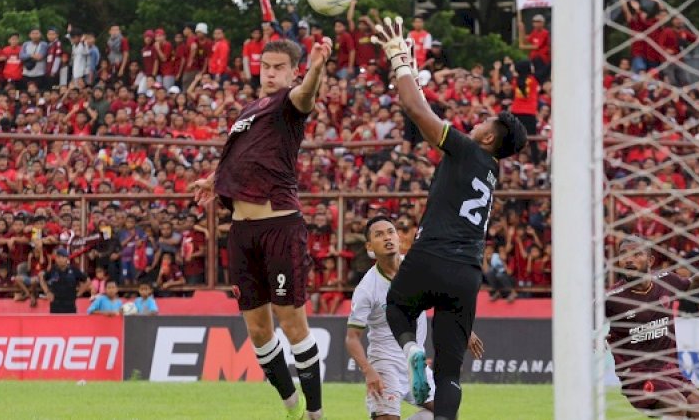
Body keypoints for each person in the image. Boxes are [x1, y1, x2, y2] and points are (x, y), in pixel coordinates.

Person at [372, 16, 527, 419]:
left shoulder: (468, 150)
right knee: (451, 373)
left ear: (489, 138)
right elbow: (421, 107)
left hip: (432, 254)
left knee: (397, 309)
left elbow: (413, 108)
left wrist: (399, 60)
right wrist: (415, 81)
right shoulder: (492, 169)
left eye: (482, 123)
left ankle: (410, 351)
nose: (475, 123)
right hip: (466, 274)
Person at [190, 37, 333, 420]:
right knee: (257, 330)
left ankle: (317, 414)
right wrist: (215, 179)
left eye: (278, 67)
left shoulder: (290, 103)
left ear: (292, 72)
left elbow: (306, 96)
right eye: (265, 66)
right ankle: (293, 409)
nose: (270, 73)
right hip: (241, 232)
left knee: (292, 321)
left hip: (278, 226)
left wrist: (318, 66)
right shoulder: (251, 111)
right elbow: (244, 156)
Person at [346, 216, 486, 420]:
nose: (387, 237)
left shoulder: (415, 268)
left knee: (447, 412)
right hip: (385, 364)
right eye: (379, 234)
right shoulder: (367, 288)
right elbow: (352, 337)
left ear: (398, 237)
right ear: (369, 246)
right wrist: (368, 371)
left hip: (415, 364)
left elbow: (443, 298)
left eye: (390, 232)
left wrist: (465, 329)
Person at [605, 236, 699, 418]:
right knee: (677, 405)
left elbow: (694, 283)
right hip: (637, 375)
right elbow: (585, 319)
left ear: (650, 261)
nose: (629, 259)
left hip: (669, 371)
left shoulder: (666, 281)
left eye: (636, 254)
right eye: (623, 254)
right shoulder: (612, 298)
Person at [40, 247, 89, 314]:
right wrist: (47, 292)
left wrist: (80, 293)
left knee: (70, 324)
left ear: (67, 258)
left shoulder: (74, 270)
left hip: (70, 306)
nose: (60, 259)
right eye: (58, 257)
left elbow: (87, 281)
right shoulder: (53, 270)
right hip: (55, 305)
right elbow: (42, 279)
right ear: (56, 259)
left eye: (63, 257)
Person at [517, 14, 551, 83]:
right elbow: (526, 41)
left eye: (538, 22)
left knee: (539, 77)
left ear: (542, 23)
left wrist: (523, 47)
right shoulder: (534, 32)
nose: (535, 24)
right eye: (534, 22)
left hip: (542, 60)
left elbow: (536, 46)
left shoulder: (545, 33)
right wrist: (522, 29)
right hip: (533, 60)